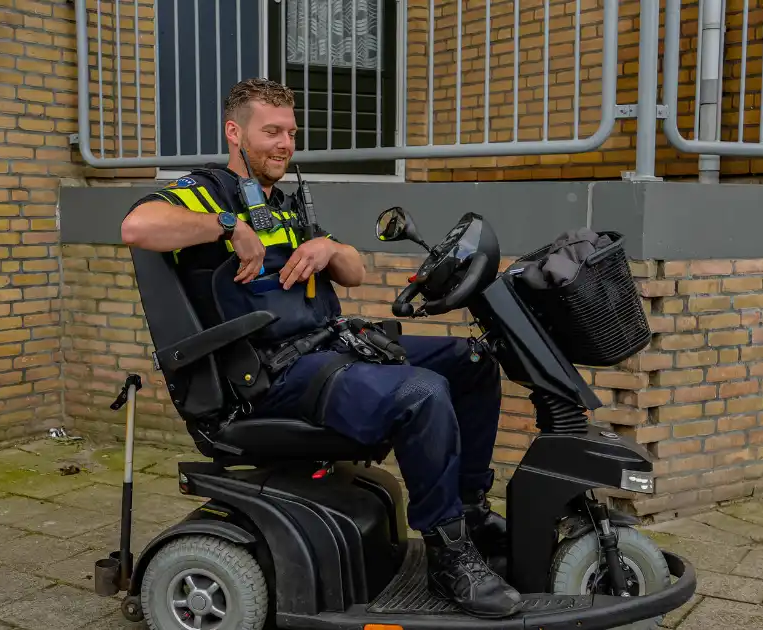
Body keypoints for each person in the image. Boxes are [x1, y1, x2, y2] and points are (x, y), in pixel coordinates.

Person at [120, 78, 522, 619]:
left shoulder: (287, 204)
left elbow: (353, 273)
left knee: (471, 361)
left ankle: (469, 512)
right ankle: (449, 557)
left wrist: (327, 246)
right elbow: (136, 226)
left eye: (290, 132)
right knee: (420, 393)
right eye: (272, 132)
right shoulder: (204, 191)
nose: (285, 144)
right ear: (234, 132)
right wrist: (226, 225)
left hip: (329, 348)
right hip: (266, 377)